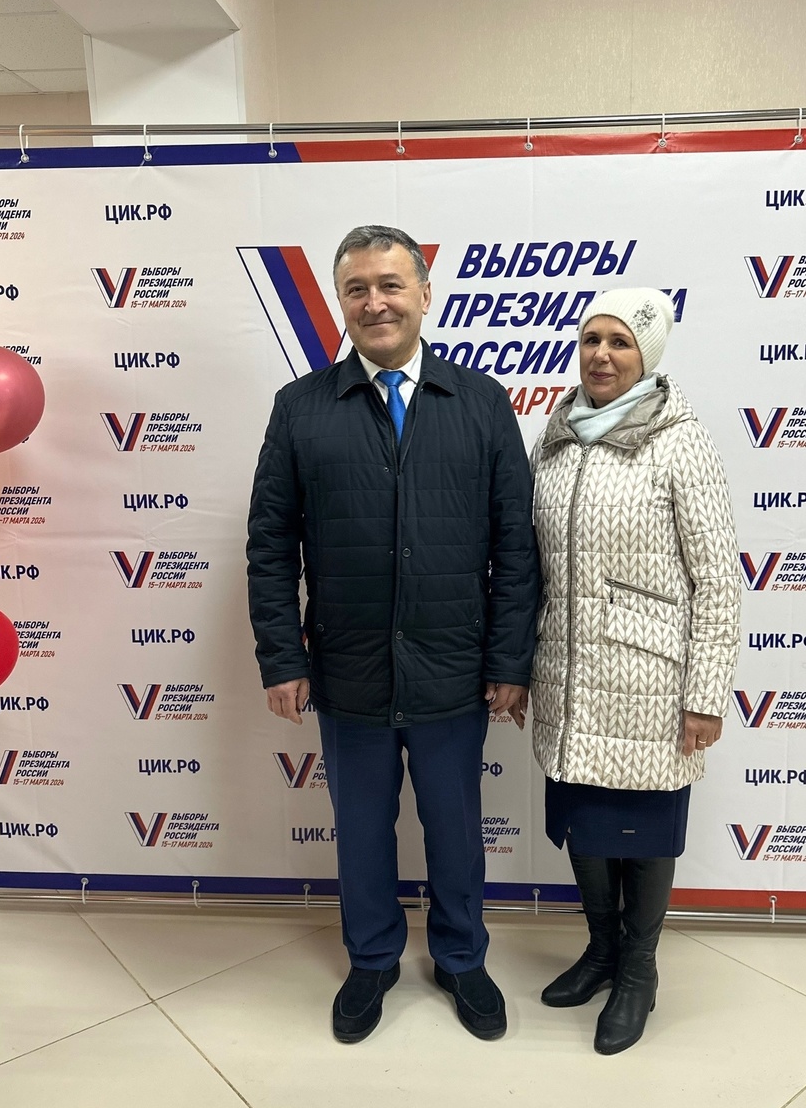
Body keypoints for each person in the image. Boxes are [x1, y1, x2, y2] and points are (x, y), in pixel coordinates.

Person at [247, 225, 539, 1044]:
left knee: (456, 828)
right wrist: (282, 656)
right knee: (363, 831)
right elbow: (270, 544)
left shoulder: (479, 401)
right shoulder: (301, 407)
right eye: (357, 289)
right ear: (341, 302)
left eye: (390, 285)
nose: (375, 302)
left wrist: (509, 660)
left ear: (423, 295)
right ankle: (372, 958)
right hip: (349, 671)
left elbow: (516, 545)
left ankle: (461, 957)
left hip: (454, 669)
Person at [530, 287, 740, 1055]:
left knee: (644, 830)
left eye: (619, 341)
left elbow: (718, 579)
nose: (601, 355)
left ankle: (640, 971)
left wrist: (706, 693)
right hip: (568, 676)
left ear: (647, 355)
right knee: (584, 822)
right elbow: (531, 564)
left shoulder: (681, 441)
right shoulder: (555, 437)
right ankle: (602, 949)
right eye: (592, 338)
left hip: (651, 685)